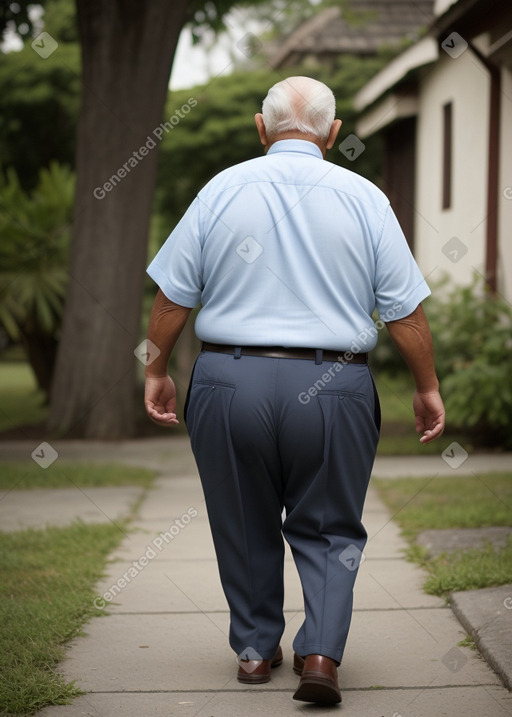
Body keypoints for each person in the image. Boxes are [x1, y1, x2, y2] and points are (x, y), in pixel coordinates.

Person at [144, 76, 445, 705]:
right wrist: (427, 385)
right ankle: (321, 657)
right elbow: (406, 313)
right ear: (334, 134)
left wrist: (156, 370)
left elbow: (173, 296)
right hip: (334, 382)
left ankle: (255, 653)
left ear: (262, 126)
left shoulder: (221, 190)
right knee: (332, 527)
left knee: (241, 519)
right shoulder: (365, 197)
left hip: (229, 380)